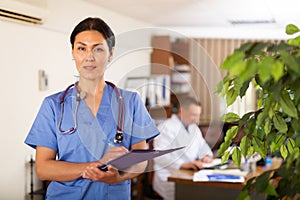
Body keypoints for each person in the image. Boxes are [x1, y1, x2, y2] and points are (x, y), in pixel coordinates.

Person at [24, 17, 159, 199]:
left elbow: (140, 159)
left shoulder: (130, 102)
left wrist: (118, 177)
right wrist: (96, 165)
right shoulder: (54, 105)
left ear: (110, 54)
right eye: (82, 48)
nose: (90, 56)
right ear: (73, 52)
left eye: (98, 49)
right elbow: (43, 168)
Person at [152, 96, 213, 200]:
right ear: (182, 111)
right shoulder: (166, 127)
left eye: (198, 115)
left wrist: (206, 156)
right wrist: (183, 164)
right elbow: (159, 155)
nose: (196, 119)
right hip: (169, 175)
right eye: (193, 115)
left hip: (190, 172)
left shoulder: (194, 128)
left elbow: (203, 147)